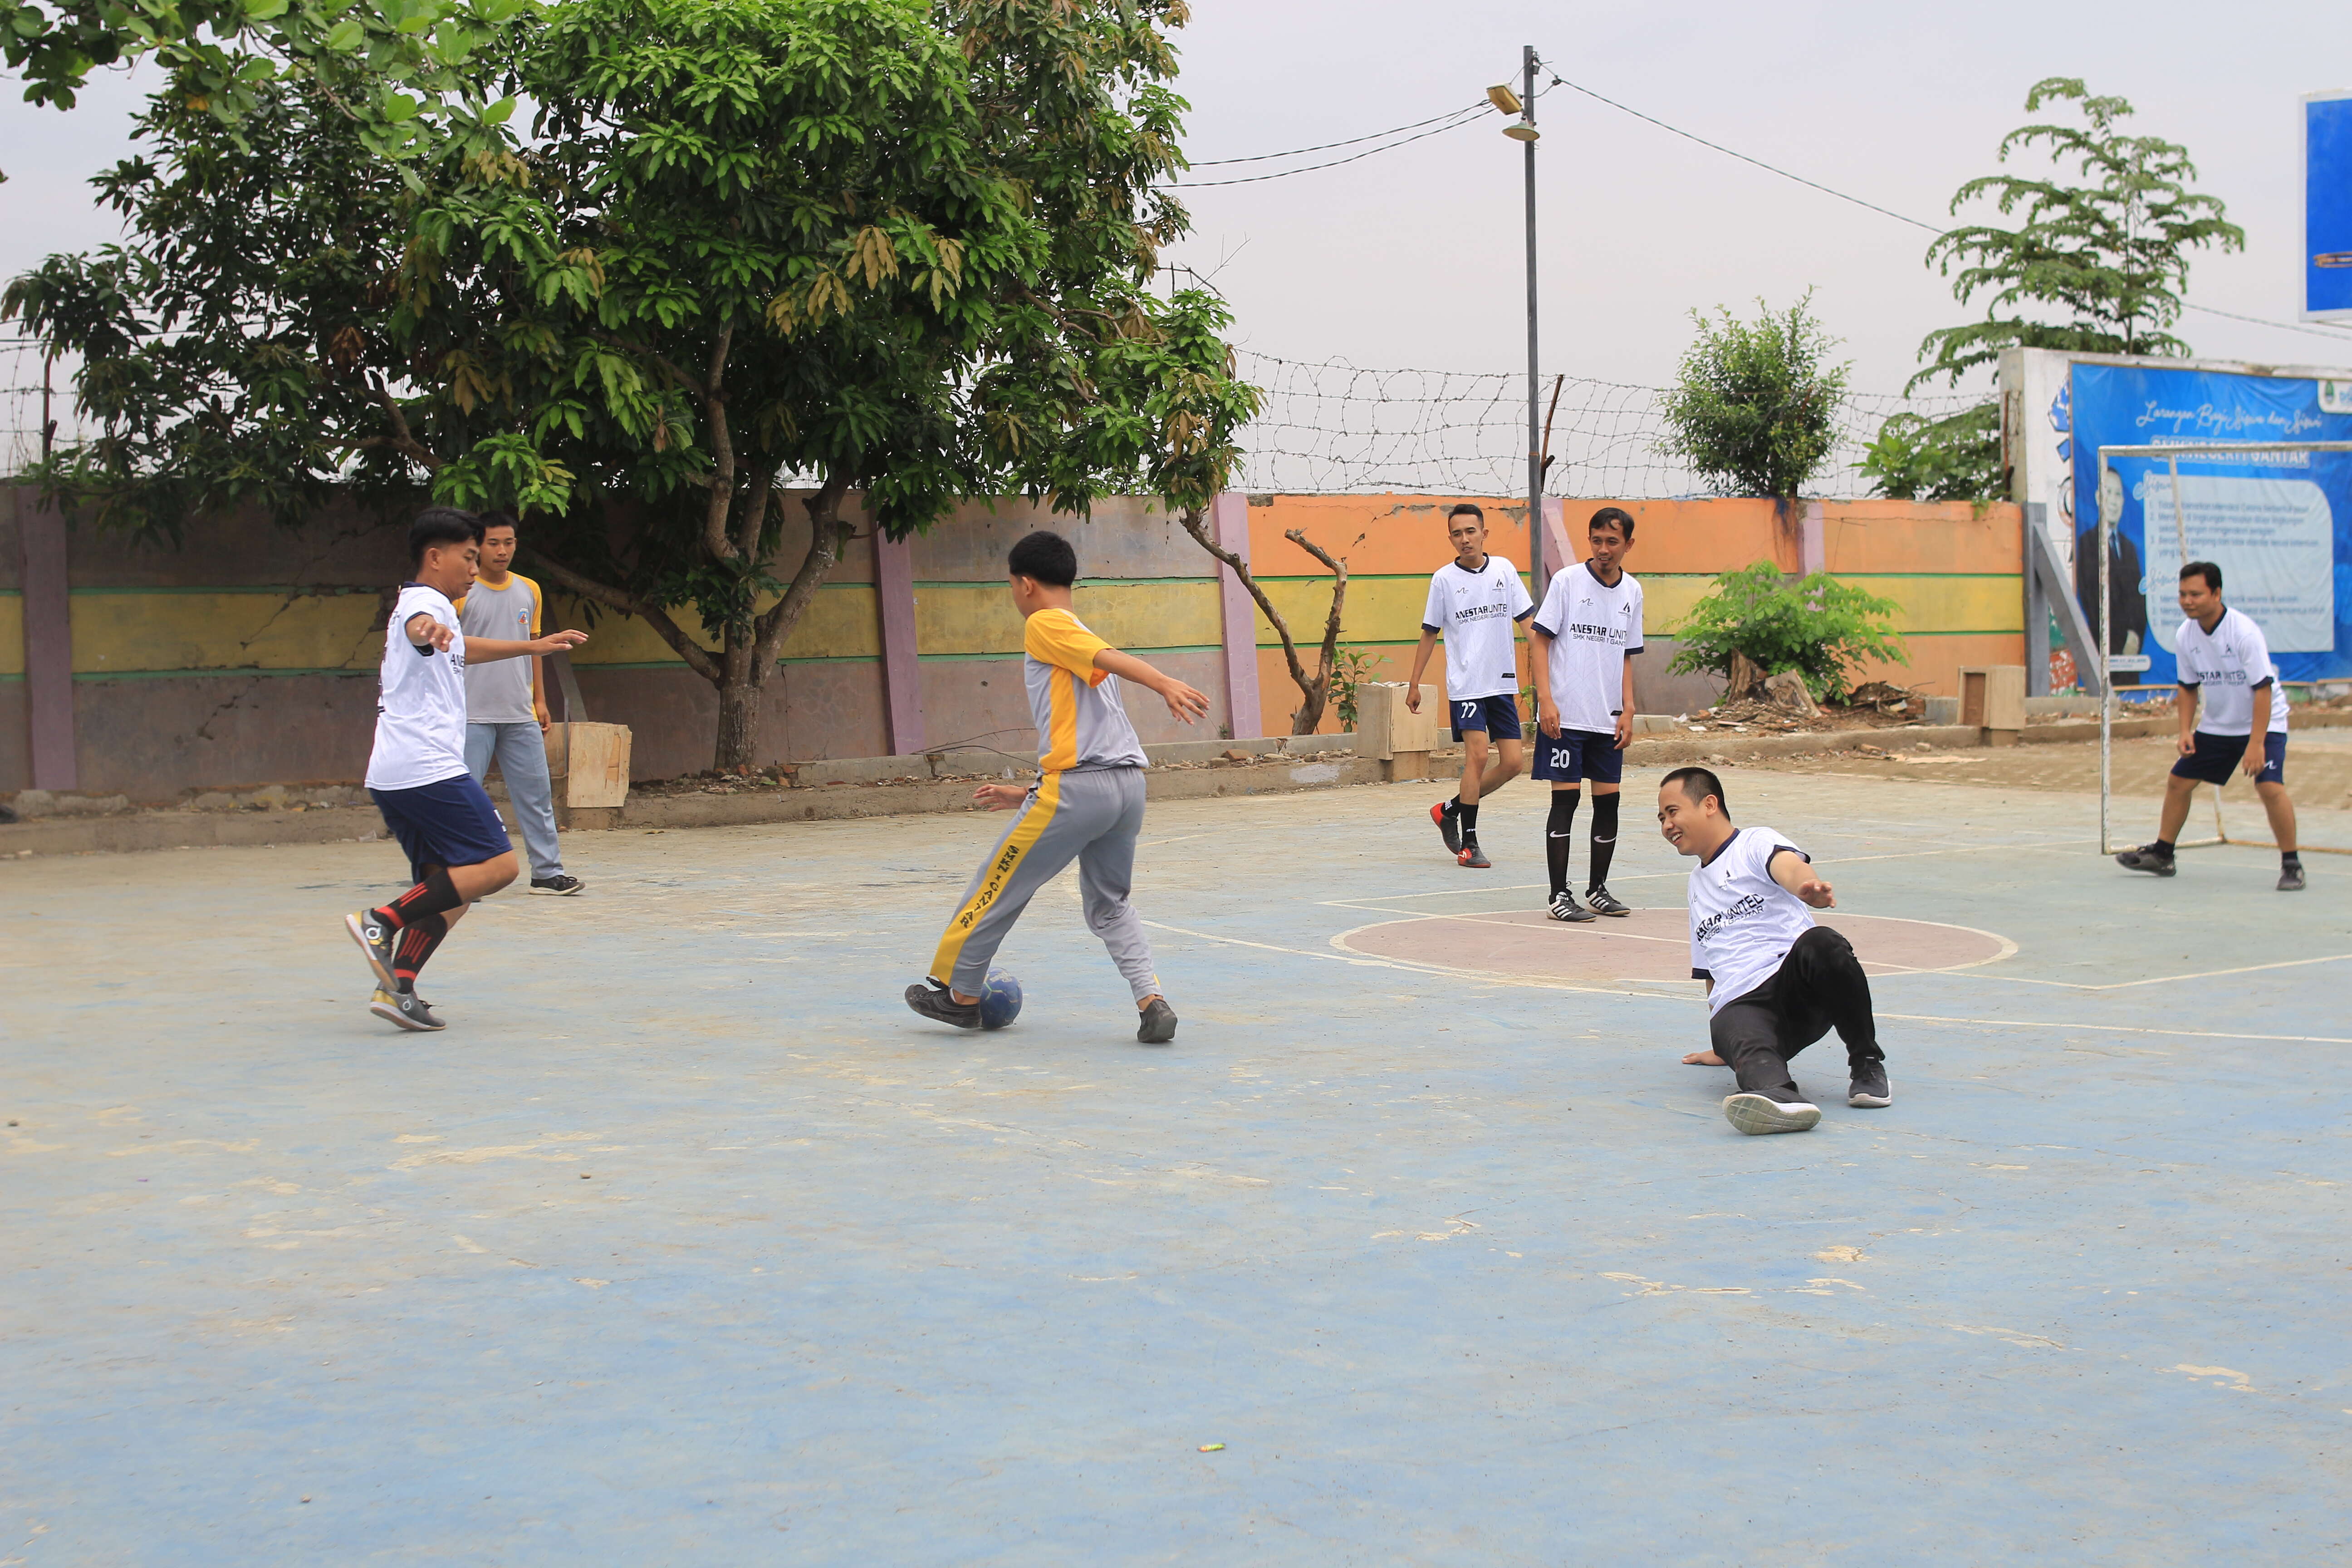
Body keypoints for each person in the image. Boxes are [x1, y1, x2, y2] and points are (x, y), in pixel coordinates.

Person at [905, 530, 1208, 1044]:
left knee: (996, 883)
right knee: (1111, 905)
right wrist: (1029, 794)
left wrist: (1162, 683)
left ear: (1025, 585)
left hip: (1077, 792)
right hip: (1126, 789)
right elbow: (1094, 738)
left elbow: (1109, 673)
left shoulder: (1046, 624)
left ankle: (960, 996)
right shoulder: (1076, 633)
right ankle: (1151, 1000)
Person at [344, 508, 588, 1031]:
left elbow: (459, 649)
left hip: (394, 772)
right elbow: (421, 628)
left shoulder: (437, 609)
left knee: (454, 887)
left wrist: (532, 646)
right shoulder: (425, 605)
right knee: (499, 867)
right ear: (436, 557)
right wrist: (429, 630)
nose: (477, 567)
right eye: (470, 557)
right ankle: (380, 923)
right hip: (427, 768)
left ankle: (398, 989)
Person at [1657, 766, 1891, 1136]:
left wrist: (1806, 887)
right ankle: (1781, 1099)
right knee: (1740, 1042)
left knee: (1823, 942)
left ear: (1709, 804)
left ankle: (1866, 1064)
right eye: (1661, 819)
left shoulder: (1753, 843)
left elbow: (1788, 867)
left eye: (1672, 812)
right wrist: (1724, 1045)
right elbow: (1709, 967)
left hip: (1794, 987)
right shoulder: (1696, 885)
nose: (1667, 825)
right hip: (1742, 1005)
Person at [2115, 562, 2303, 891]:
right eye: (2182, 594)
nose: (2187, 601)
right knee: (2178, 782)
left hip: (2265, 721)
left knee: (2269, 787)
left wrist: (2257, 744)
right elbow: (2188, 687)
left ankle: (2292, 865)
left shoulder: (2243, 632)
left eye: (2196, 594)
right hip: (2219, 724)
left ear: (2216, 594)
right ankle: (2163, 854)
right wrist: (2185, 730)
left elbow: (2263, 689)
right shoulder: (2185, 635)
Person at [456, 512, 583, 896]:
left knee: (537, 794)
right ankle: (462, 877)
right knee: (464, 797)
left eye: (509, 543)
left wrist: (539, 701)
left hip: (519, 713)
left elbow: (535, 650)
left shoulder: (529, 589)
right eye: (494, 543)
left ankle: (547, 872)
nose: (502, 551)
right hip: (469, 714)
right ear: (477, 546)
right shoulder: (461, 591)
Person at [1528, 505, 1644, 921]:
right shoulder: (1567, 582)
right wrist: (1547, 700)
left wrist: (1629, 709)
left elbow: (1628, 656)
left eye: (1613, 542)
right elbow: (1539, 642)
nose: (1603, 549)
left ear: (1629, 544)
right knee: (1566, 802)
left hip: (1607, 717)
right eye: (1597, 540)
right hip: (1567, 716)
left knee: (1608, 804)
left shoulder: (1633, 592)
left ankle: (1598, 889)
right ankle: (1559, 895)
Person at [1407, 503, 1534, 868]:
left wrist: (1553, 666)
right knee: (1477, 756)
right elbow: (1430, 633)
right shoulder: (1444, 580)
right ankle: (1470, 844)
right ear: (1451, 539)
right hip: (1466, 686)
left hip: (1501, 683)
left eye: (1471, 532)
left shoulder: (1505, 571)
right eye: (1458, 534)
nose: (1465, 539)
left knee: (1512, 764)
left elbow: (1528, 622)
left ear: (1484, 534)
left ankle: (1449, 810)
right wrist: (1414, 684)